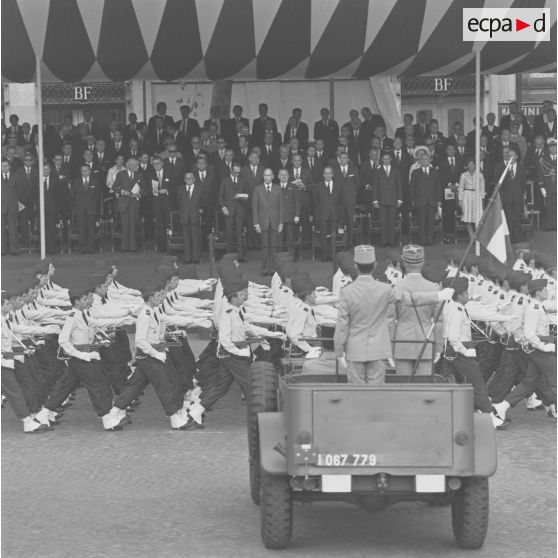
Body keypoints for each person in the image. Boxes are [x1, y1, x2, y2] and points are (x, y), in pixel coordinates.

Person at [334, 245, 452, 385]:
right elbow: (414, 301)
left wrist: (339, 351)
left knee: (361, 391)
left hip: (371, 347)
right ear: (375, 265)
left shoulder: (347, 292)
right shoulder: (386, 289)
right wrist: (438, 295)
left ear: (355, 265)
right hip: (396, 346)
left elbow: (342, 326)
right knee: (418, 388)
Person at [441, 277, 505, 429]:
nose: (468, 294)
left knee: (449, 382)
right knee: (477, 382)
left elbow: (481, 314)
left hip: (451, 350)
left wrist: (504, 316)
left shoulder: (451, 306)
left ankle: (462, 411)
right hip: (460, 350)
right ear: (460, 295)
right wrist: (464, 351)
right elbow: (453, 336)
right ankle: (489, 416)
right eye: (465, 292)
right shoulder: (456, 309)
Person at [392, 245, 441, 376]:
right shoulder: (434, 288)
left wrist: (389, 347)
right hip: (426, 341)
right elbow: (439, 322)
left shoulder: (395, 288)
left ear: (403, 262)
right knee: (424, 387)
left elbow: (389, 321)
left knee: (403, 388)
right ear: (423, 262)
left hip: (401, 342)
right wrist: (439, 347)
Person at [252, 168, 283, 276]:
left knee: (274, 248)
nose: (267, 177)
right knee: (265, 248)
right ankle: (265, 269)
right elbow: (254, 208)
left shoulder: (278, 189)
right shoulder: (257, 189)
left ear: (273, 176)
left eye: (269, 175)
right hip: (262, 222)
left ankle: (274, 269)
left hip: (275, 222)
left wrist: (281, 223)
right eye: (265, 175)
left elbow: (281, 207)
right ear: (263, 177)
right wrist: (256, 223)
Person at [410, 152, 442, 246]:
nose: (424, 161)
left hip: (432, 201)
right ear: (420, 161)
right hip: (420, 201)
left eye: (426, 159)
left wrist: (439, 200)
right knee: (422, 222)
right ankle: (423, 241)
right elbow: (412, 187)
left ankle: (430, 241)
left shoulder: (435, 172)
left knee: (431, 222)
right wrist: (412, 200)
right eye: (423, 159)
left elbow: (438, 187)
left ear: (430, 160)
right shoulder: (415, 172)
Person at [113, 157, 143, 252]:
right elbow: (114, 187)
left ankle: (133, 247)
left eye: (136, 165)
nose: (136, 166)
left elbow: (144, 188)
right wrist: (122, 192)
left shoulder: (139, 175)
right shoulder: (120, 174)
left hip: (134, 203)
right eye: (134, 164)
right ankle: (124, 247)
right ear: (128, 165)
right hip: (124, 204)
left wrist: (139, 193)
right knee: (125, 226)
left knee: (133, 226)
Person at [372, 151, 402, 247]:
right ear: (381, 160)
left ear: (391, 159)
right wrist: (375, 200)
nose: (386, 161)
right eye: (384, 159)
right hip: (382, 200)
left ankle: (392, 241)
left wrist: (400, 199)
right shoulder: (377, 170)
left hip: (393, 200)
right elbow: (375, 186)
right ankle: (384, 241)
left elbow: (399, 186)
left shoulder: (396, 170)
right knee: (383, 222)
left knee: (392, 221)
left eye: (387, 159)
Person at [71, 164, 99, 254]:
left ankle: (91, 248)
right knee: (81, 229)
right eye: (83, 170)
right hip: (80, 208)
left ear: (90, 171)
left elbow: (98, 195)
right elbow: (73, 195)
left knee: (91, 229)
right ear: (80, 171)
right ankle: (82, 248)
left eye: (86, 170)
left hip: (91, 208)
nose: (85, 172)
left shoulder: (95, 181)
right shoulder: (76, 181)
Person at [177, 172, 203, 264]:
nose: (188, 180)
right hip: (184, 217)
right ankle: (187, 258)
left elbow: (203, 201)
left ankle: (196, 258)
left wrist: (201, 209)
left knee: (195, 239)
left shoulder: (199, 189)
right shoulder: (180, 189)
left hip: (194, 216)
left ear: (194, 179)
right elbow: (179, 202)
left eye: (190, 178)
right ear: (184, 180)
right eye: (186, 178)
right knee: (186, 239)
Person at [458, 159, 486, 240]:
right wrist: (460, 199)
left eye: (472, 164)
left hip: (477, 196)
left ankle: (477, 236)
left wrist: (482, 198)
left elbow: (482, 187)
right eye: (469, 164)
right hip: (467, 196)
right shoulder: (463, 175)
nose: (471, 166)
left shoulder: (480, 175)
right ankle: (471, 236)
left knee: (477, 216)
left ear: (475, 165)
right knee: (468, 217)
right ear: (467, 166)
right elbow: (461, 187)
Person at [277, 168, 300, 255]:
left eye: (285, 175)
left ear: (288, 176)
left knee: (290, 238)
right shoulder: (275, 186)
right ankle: (279, 257)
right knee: (279, 239)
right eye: (281, 175)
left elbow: (297, 201)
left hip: (290, 217)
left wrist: (297, 215)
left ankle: (291, 257)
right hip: (278, 218)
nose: (283, 176)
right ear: (278, 176)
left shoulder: (293, 186)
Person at [538, 138, 557, 231]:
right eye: (551, 147)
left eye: (555, 147)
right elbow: (540, 174)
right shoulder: (543, 159)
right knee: (549, 207)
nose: (553, 149)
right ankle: (551, 225)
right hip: (548, 187)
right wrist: (542, 187)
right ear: (548, 148)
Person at [1, 158, 19, 255]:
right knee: (1, 230)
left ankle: (13, 249)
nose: (4, 168)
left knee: (13, 229)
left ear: (9, 167)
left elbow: (19, 192)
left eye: (6, 166)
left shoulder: (15, 177)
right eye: (2, 166)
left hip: (12, 207)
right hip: (1, 207)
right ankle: (2, 250)